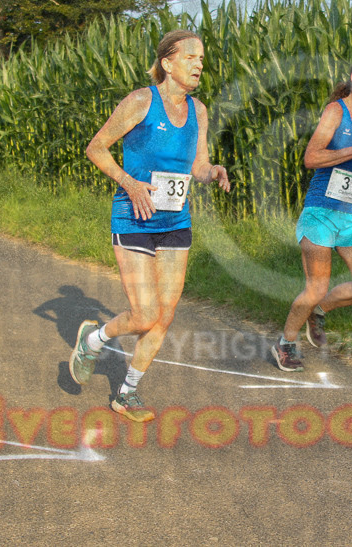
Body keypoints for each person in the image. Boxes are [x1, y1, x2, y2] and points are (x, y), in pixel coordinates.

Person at [71, 30, 231, 422]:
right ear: (167, 63)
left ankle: (127, 394)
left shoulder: (199, 111)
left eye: (202, 59)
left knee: (165, 316)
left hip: (176, 220)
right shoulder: (142, 101)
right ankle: (93, 340)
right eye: (191, 57)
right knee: (143, 314)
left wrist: (213, 173)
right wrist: (129, 182)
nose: (199, 65)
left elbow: (197, 166)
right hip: (135, 218)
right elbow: (96, 147)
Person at [272, 54, 352, 371]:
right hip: (321, 211)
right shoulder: (334, 112)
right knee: (315, 287)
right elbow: (312, 158)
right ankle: (285, 343)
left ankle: (318, 310)